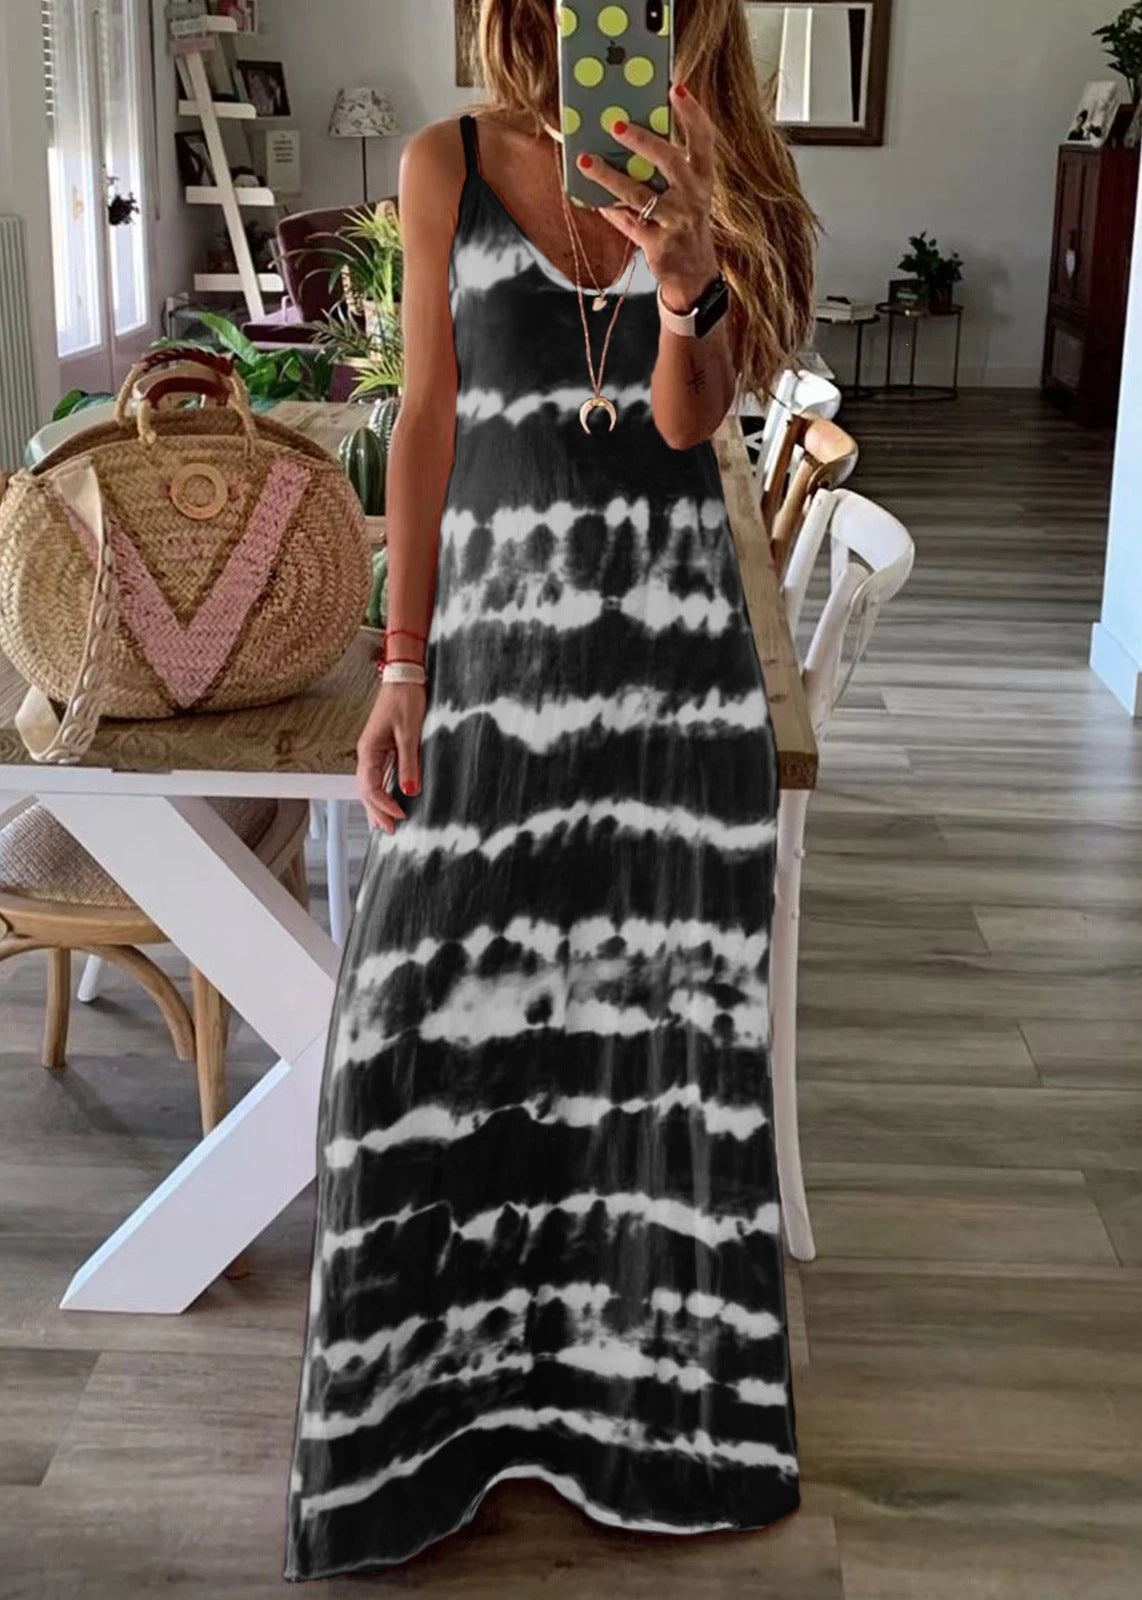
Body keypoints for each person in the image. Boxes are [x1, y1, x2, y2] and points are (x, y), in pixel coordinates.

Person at [284, 0, 818, 1581]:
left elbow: (686, 424)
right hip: (494, 683)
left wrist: (688, 281)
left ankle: (645, 1432)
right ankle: (416, 1435)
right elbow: (425, 420)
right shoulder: (445, 164)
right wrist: (400, 664)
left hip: (672, 709)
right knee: (407, 1039)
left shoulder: (735, 178)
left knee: (649, 1063)